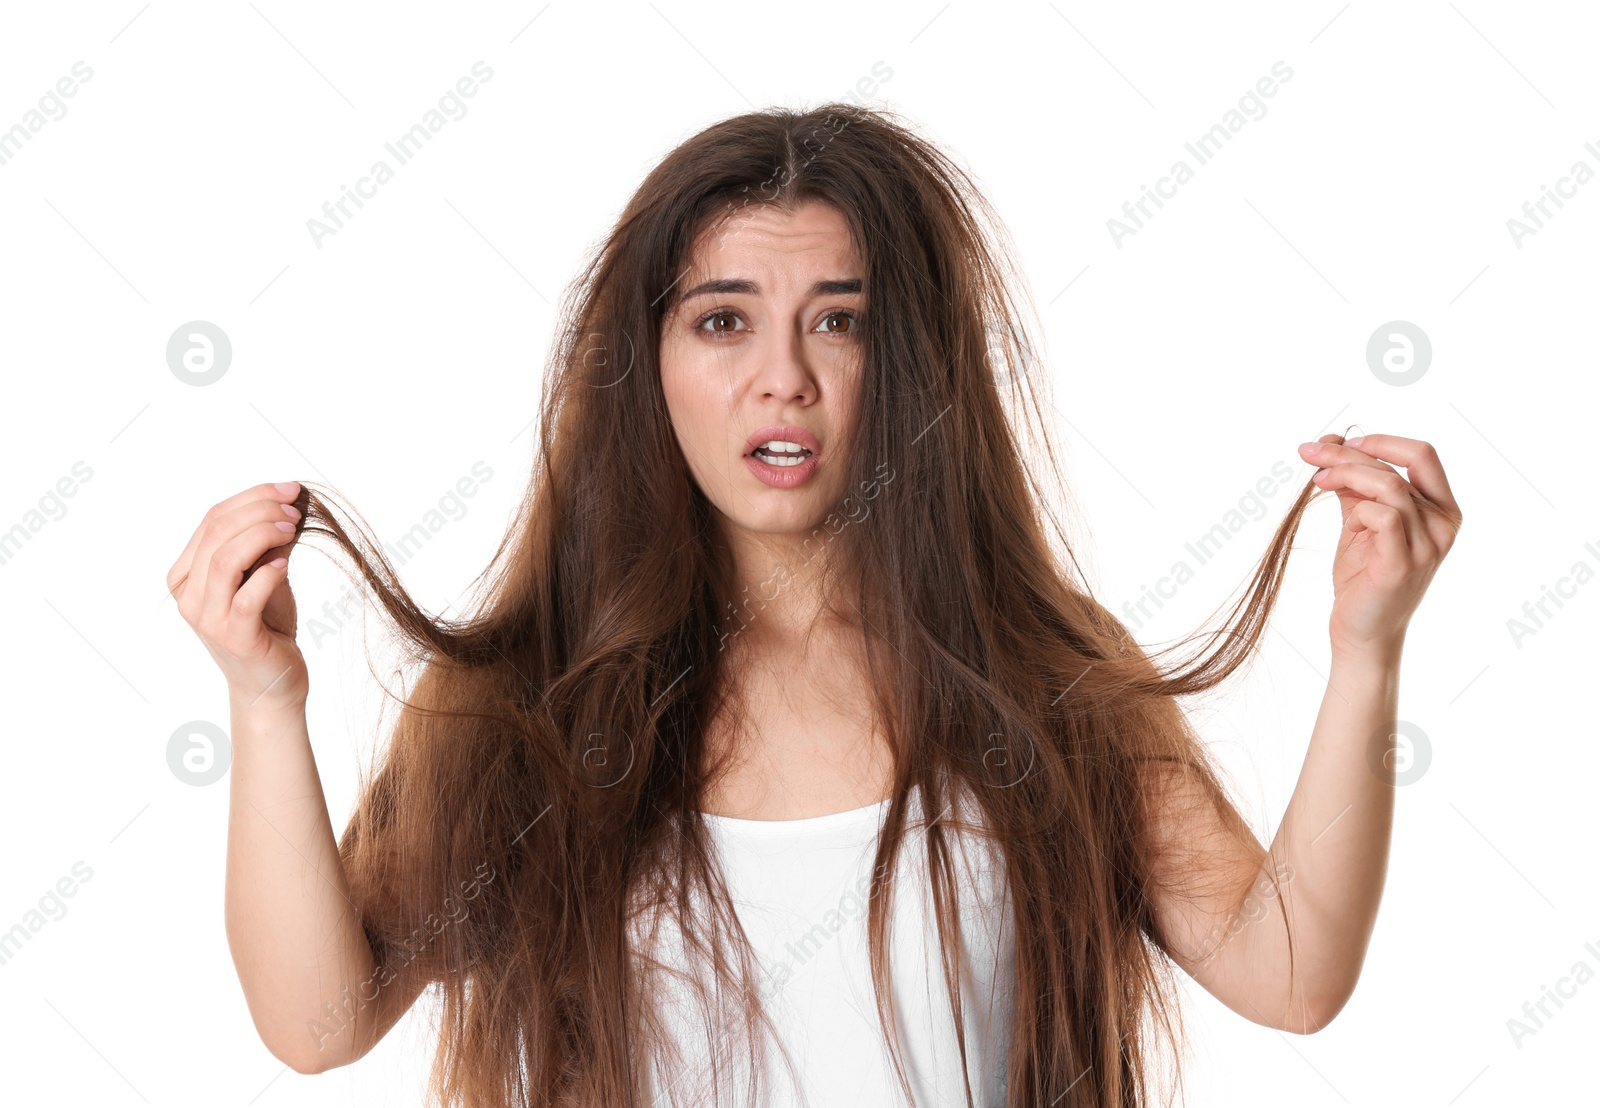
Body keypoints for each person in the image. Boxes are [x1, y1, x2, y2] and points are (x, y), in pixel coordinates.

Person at [166, 102, 1462, 1108]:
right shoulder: (529, 697)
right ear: (649, 361)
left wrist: (1367, 650)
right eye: (724, 321)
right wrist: (265, 701)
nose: (781, 377)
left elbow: (1288, 977)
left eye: (838, 323)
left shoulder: (1042, 677)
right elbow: (318, 1024)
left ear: (909, 362)